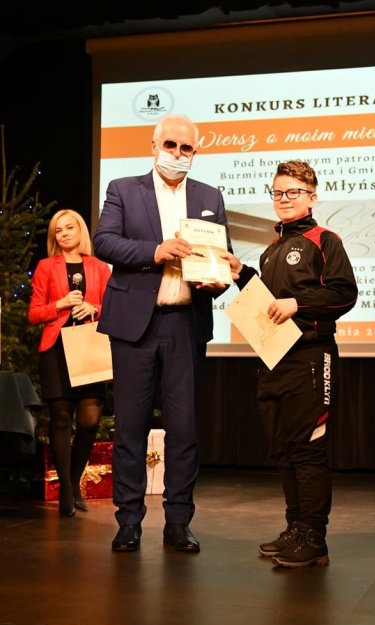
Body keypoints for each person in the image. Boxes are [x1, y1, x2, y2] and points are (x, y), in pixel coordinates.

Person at [93, 114, 232, 553]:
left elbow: (222, 256)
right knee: (130, 428)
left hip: (185, 323)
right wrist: (156, 251)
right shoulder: (122, 188)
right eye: (170, 145)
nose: (177, 154)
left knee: (184, 429)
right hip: (135, 326)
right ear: (154, 146)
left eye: (186, 148)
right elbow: (104, 242)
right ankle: (128, 521)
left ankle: (178, 522)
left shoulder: (209, 196)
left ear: (195, 152)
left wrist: (218, 278)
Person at [222, 160, 358, 568]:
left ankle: (314, 537)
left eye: (293, 192)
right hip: (274, 358)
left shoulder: (324, 240)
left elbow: (345, 294)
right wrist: (240, 273)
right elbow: (267, 301)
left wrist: (298, 303)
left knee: (308, 449)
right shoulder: (272, 249)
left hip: (311, 358)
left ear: (311, 197)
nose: (284, 199)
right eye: (278, 192)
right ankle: (296, 528)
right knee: (283, 450)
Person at [28, 209, 112, 517]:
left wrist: (95, 308)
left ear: (80, 230)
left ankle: (74, 482)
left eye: (69, 228)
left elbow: (113, 306)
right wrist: (59, 305)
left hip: (88, 345)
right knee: (61, 419)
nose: (64, 234)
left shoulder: (99, 267)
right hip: (56, 348)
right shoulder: (46, 266)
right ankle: (66, 489)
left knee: (89, 421)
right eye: (58, 231)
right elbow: (34, 313)